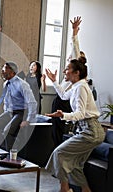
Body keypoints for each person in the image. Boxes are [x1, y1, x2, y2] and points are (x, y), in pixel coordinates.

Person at [45, 59, 105, 192]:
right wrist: (54, 81)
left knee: (59, 153)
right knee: (76, 164)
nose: (64, 71)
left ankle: (64, 189)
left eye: (67, 69)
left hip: (90, 131)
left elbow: (80, 114)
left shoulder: (81, 87)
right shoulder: (77, 86)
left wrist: (63, 115)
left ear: (77, 72)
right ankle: (85, 190)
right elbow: (63, 95)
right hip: (88, 130)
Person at [51, 16, 85, 147]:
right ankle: (56, 151)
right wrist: (54, 81)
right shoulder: (68, 73)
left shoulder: (77, 75)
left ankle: (59, 151)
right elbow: (63, 93)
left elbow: (75, 49)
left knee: (59, 131)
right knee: (55, 131)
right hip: (61, 99)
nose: (69, 58)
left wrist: (74, 33)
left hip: (63, 103)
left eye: (72, 58)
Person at [0, 62, 37, 152]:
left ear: (12, 72)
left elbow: (32, 103)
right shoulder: (6, 83)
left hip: (21, 112)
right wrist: (5, 113)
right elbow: (6, 100)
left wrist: (28, 120)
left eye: (5, 69)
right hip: (10, 112)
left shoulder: (22, 84)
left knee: (7, 131)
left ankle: (10, 156)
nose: (2, 71)